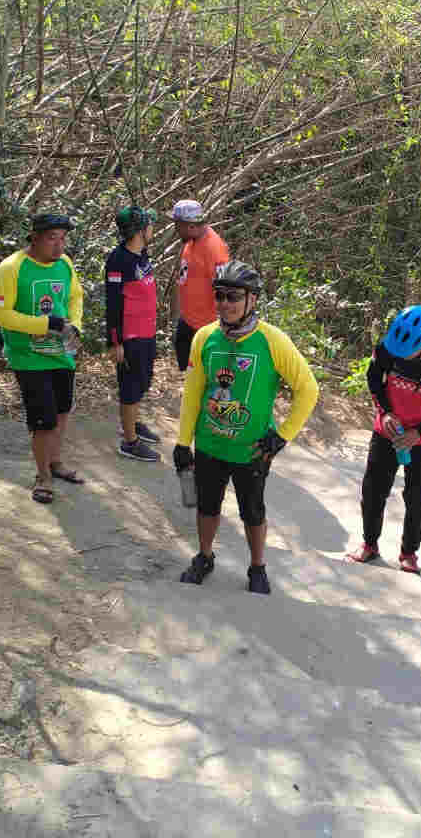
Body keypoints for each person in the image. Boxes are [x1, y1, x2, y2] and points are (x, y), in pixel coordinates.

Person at [173, 261, 319, 594]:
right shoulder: (204, 337)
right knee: (207, 507)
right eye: (220, 296)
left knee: (252, 512)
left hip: (252, 448)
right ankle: (205, 557)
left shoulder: (272, 341)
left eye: (233, 297)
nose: (225, 304)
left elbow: (308, 389)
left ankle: (257, 567)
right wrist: (183, 442)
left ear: (252, 299)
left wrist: (281, 436)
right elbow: (194, 391)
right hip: (210, 444)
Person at [346, 305, 421, 574]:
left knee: (417, 498)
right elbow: (373, 378)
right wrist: (384, 413)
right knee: (373, 492)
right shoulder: (387, 348)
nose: (401, 357)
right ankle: (369, 544)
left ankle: (409, 552)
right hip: (386, 432)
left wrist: (417, 433)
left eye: (408, 353)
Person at [0, 212, 84, 505]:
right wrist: (46, 325)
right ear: (35, 237)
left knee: (63, 409)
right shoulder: (11, 268)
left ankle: (56, 463)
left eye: (63, 238)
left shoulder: (65, 264)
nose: (59, 245)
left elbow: (75, 296)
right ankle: (42, 476)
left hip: (61, 353)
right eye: (53, 238)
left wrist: (75, 324)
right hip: (28, 357)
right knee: (43, 419)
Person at [105, 205, 162, 463]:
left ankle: (133, 422)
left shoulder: (142, 255)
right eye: (150, 224)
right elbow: (113, 303)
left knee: (144, 380)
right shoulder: (119, 260)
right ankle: (129, 441)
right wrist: (115, 342)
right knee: (131, 386)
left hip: (147, 331)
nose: (153, 229)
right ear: (140, 230)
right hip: (130, 336)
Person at [169, 199, 230, 373]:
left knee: (202, 375)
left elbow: (225, 290)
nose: (175, 230)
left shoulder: (214, 249)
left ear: (190, 226)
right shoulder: (192, 241)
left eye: (177, 225)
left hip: (206, 327)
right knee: (186, 369)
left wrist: (223, 331)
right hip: (188, 320)